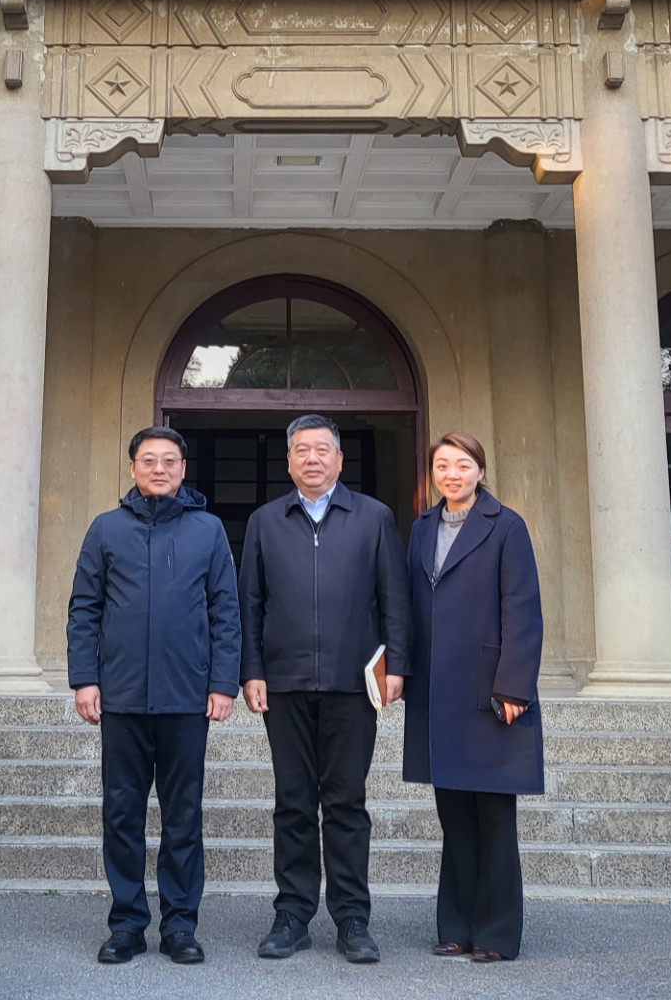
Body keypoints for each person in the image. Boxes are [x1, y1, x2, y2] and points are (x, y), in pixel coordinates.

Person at [239, 413, 409, 964]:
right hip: (283, 684)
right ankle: (292, 914)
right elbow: (249, 604)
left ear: (339, 459)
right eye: (302, 451)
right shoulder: (266, 521)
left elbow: (394, 600)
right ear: (288, 461)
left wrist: (397, 666)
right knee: (292, 802)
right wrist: (251, 670)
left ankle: (352, 917)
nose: (312, 459)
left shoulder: (373, 517)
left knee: (345, 803)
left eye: (322, 450)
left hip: (350, 684)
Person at [67, 425, 240, 966]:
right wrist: (85, 678)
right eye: (149, 460)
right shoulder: (105, 529)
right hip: (120, 699)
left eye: (169, 460)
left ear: (183, 469)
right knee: (121, 814)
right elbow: (84, 608)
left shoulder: (208, 531)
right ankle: (126, 925)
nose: (159, 468)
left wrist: (222, 683)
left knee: (183, 816)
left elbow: (225, 613)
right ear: (133, 468)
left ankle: (181, 926)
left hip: (188, 700)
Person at [401, 432, 544, 963]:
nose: (452, 474)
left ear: (480, 471)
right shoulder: (420, 529)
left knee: (494, 817)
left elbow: (523, 608)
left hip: (489, 691)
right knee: (454, 813)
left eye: (463, 465)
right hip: (438, 690)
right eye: (442, 465)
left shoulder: (506, 526)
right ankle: (455, 925)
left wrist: (513, 683)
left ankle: (498, 933)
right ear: (432, 474)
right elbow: (408, 602)